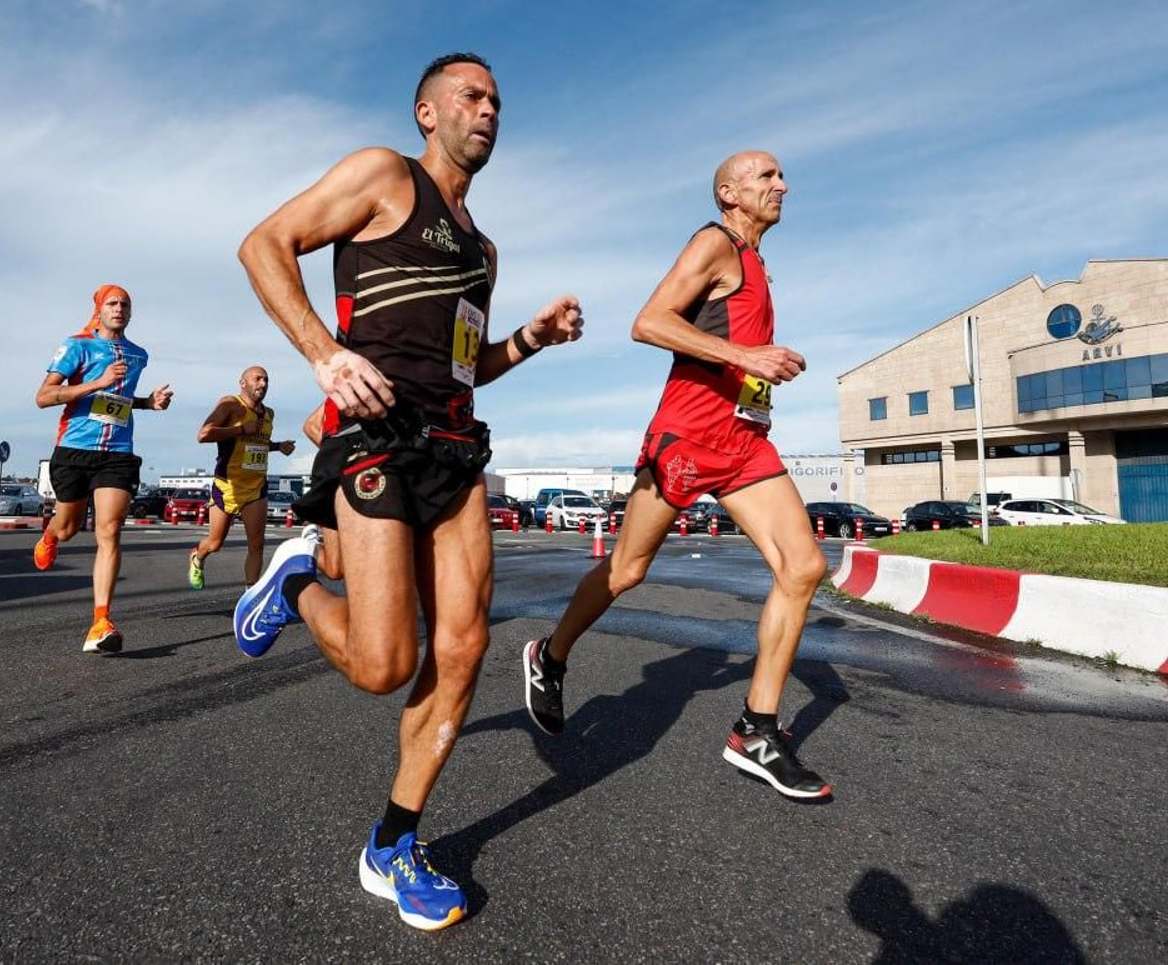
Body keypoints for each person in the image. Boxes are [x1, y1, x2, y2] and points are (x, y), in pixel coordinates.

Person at [232, 52, 582, 931]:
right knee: (385, 665)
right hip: (376, 436)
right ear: (427, 112)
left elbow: (470, 366)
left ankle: (393, 844)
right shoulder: (384, 176)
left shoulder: (483, 248)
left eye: (498, 99)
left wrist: (530, 339)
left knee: (461, 651)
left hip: (457, 451)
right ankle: (299, 580)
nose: (489, 109)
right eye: (472, 96)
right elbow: (263, 244)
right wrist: (325, 353)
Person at [521, 151, 833, 801]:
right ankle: (550, 656)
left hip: (744, 443)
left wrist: (757, 368)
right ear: (729, 192)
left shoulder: (757, 263)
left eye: (782, 175)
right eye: (767, 176)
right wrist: (745, 354)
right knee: (627, 570)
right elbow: (649, 321)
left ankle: (758, 729)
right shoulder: (713, 243)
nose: (783, 185)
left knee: (802, 568)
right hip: (686, 438)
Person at [32, 284, 173, 654]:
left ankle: (100, 621)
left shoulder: (138, 355)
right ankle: (50, 535)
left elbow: (119, 401)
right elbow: (44, 397)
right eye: (112, 303)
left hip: (118, 453)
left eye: (126, 304)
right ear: (99, 308)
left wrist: (148, 403)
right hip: (75, 449)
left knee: (109, 530)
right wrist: (97, 381)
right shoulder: (78, 345)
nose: (120, 308)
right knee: (69, 526)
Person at [187, 367, 296, 589]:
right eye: (257, 378)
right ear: (243, 382)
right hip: (227, 485)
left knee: (257, 543)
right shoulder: (230, 404)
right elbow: (204, 434)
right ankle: (198, 557)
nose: (263, 383)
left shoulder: (269, 414)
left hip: (255, 487)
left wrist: (277, 446)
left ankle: (251, 596)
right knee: (215, 543)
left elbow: (256, 443)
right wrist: (240, 429)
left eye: (266, 379)